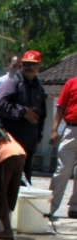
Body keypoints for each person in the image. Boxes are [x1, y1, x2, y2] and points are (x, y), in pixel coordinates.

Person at [0, 50, 46, 185]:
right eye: (26, 64)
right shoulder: (11, 83)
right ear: (21, 65)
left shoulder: (39, 88)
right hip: (10, 144)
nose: (29, 67)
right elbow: (0, 105)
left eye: (33, 64)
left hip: (29, 145)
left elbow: (42, 115)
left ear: (38, 67)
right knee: (5, 182)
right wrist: (22, 111)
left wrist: (38, 136)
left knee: (24, 183)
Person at [49, 76, 77, 219]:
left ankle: (74, 208)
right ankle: (49, 207)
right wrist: (54, 129)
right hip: (71, 129)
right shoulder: (71, 83)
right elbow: (61, 106)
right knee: (62, 170)